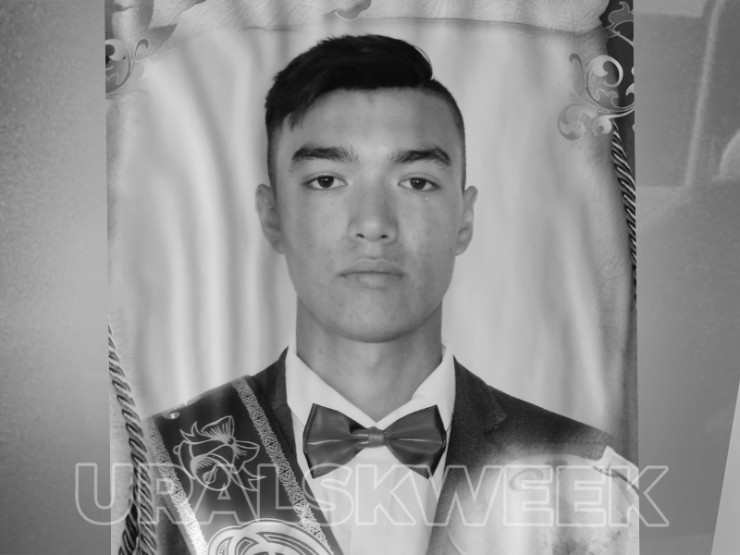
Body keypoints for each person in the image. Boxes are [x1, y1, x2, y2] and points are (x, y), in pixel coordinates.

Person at [147, 34, 636, 555]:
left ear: (464, 218)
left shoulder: (586, 471)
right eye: (327, 180)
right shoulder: (156, 463)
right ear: (272, 216)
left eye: (417, 182)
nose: (374, 223)